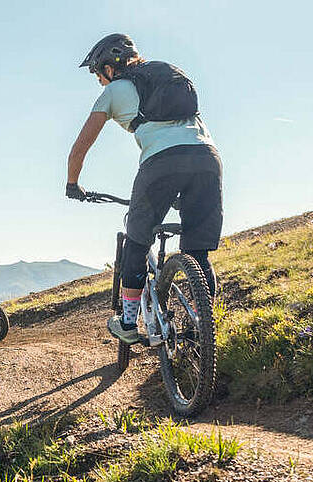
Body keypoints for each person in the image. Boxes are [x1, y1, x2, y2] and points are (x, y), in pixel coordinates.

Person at [66, 34, 222, 345]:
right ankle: (200, 325)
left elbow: (80, 148)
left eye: (98, 74)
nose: (99, 82)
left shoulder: (115, 90)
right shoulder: (170, 76)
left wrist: (73, 184)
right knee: (198, 251)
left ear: (110, 68)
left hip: (161, 164)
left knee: (136, 241)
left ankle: (127, 323)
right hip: (207, 159)